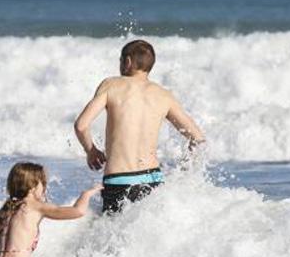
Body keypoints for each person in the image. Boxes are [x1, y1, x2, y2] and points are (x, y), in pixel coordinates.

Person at [74, 39, 205, 213]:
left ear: (127, 62)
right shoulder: (164, 95)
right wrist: (184, 170)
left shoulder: (111, 85)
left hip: (119, 180)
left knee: (114, 237)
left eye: (120, 61)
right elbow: (197, 138)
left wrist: (91, 151)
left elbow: (81, 125)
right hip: (152, 179)